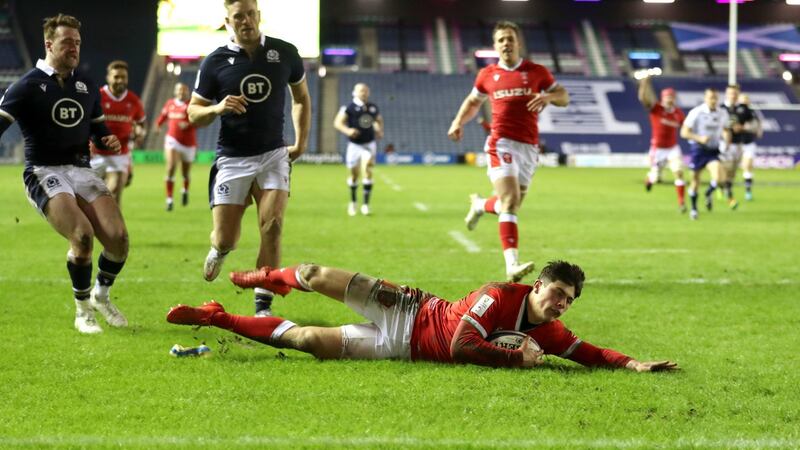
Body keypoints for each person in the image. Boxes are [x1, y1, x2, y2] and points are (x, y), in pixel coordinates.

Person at [167, 260, 678, 372]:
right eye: (558, 293)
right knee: (317, 273)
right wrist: (517, 360)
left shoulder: (550, 327)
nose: (561, 304)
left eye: (569, 301)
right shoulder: (499, 294)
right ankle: (259, 278)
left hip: (401, 347)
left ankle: (216, 318)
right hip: (409, 309)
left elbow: (584, 352)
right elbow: (459, 346)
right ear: (538, 285)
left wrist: (630, 363)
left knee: (306, 341)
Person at [0, 14, 129, 333]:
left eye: (78, 43)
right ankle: (83, 310)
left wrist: (106, 138)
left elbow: (98, 128)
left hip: (81, 170)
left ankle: (101, 294)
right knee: (82, 236)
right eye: (67, 42)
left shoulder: (85, 86)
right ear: (49, 44)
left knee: (119, 240)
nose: (74, 48)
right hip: (44, 171)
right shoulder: (26, 86)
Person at [188, 0, 311, 317]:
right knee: (227, 237)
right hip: (232, 158)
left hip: (273, 154)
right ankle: (219, 248)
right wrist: (217, 108)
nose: (246, 21)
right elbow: (193, 113)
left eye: (250, 14)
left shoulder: (285, 52)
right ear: (227, 21)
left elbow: (301, 98)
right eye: (238, 16)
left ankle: (262, 308)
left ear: (259, 16)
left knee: (272, 226)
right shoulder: (215, 62)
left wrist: (301, 142)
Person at [447, 21, 569, 282]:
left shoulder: (536, 72)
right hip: (500, 142)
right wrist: (458, 121)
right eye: (501, 39)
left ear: (518, 43)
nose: (505, 43)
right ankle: (511, 265)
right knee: (510, 200)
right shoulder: (487, 75)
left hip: (528, 146)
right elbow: (472, 102)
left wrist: (548, 97)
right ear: (495, 45)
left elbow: (564, 96)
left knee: (509, 205)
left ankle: (480, 204)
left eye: (510, 38)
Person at [89, 60, 146, 206]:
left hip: (120, 155)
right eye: (116, 77)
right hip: (95, 154)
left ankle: (113, 228)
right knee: (90, 200)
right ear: (108, 78)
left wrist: (140, 133)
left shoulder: (133, 101)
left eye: (123, 77)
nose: (120, 80)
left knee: (114, 193)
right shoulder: (96, 97)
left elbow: (141, 124)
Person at [680, 88, 731, 221]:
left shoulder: (722, 113)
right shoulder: (696, 112)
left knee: (719, 178)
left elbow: (726, 129)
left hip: (713, 150)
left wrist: (727, 140)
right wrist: (698, 138)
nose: (713, 100)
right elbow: (684, 132)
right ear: (705, 98)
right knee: (695, 180)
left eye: (715, 98)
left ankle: (708, 193)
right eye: (710, 98)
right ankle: (694, 208)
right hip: (698, 150)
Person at [333, 82, 383, 216]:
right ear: (354, 93)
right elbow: (337, 123)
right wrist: (347, 130)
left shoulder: (372, 107)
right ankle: (353, 202)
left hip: (369, 143)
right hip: (354, 145)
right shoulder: (348, 107)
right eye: (361, 91)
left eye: (366, 91)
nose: (364, 93)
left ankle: (366, 205)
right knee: (354, 176)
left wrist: (379, 130)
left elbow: (378, 120)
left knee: (367, 169)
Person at [638, 75, 687, 212]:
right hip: (657, 149)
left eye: (671, 97)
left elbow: (685, 127)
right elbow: (643, 99)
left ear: (674, 98)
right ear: (663, 98)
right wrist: (644, 83)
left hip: (672, 148)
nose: (669, 99)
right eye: (667, 97)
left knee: (678, 172)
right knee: (655, 177)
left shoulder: (678, 113)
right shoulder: (657, 109)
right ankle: (650, 179)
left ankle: (681, 202)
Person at [156, 82, 197, 211]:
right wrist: (158, 125)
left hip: (189, 143)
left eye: (184, 90)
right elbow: (162, 117)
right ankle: (169, 199)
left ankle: (185, 190)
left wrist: (189, 124)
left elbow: (200, 120)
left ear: (188, 92)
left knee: (185, 173)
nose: (181, 92)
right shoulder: (169, 103)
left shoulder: (192, 104)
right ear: (175, 91)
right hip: (172, 140)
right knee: (171, 167)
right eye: (179, 90)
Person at [737, 93, 763, 201]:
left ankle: (748, 191)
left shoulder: (753, 113)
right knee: (729, 170)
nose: (744, 102)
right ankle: (722, 187)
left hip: (749, 143)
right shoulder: (734, 111)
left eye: (746, 99)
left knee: (747, 166)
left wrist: (757, 130)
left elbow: (758, 124)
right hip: (736, 144)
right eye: (742, 99)